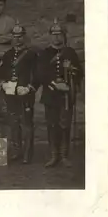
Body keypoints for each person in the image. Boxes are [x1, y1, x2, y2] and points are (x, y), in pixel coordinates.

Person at [38, 19, 83, 168]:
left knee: (65, 126)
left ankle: (64, 156)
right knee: (52, 125)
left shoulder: (70, 53)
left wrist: (71, 74)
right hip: (51, 95)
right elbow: (41, 74)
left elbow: (79, 73)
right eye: (54, 34)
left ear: (63, 36)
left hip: (65, 97)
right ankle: (53, 156)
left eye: (59, 34)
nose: (56, 38)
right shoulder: (45, 53)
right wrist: (55, 84)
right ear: (50, 36)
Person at [0, 21, 39, 164]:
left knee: (27, 123)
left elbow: (37, 74)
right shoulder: (8, 54)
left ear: (24, 37)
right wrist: (3, 84)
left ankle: (28, 154)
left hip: (25, 93)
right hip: (11, 93)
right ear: (12, 37)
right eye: (15, 36)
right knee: (14, 123)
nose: (17, 39)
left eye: (20, 36)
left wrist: (29, 88)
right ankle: (17, 151)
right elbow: (1, 73)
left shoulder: (32, 54)